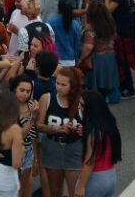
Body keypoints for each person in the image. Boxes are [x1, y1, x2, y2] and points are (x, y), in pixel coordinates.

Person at [37, 66, 84, 197]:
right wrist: (54, 128)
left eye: (64, 84)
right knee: (55, 191)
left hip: (74, 148)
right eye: (57, 83)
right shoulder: (47, 99)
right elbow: (39, 125)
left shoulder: (81, 102)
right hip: (52, 147)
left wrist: (82, 130)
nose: (59, 87)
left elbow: (90, 126)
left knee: (75, 192)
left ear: (73, 86)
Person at [78, 91, 121, 197]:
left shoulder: (93, 131)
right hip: (111, 176)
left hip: (95, 179)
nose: (79, 108)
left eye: (82, 105)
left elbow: (90, 161)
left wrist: (80, 186)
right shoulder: (109, 122)